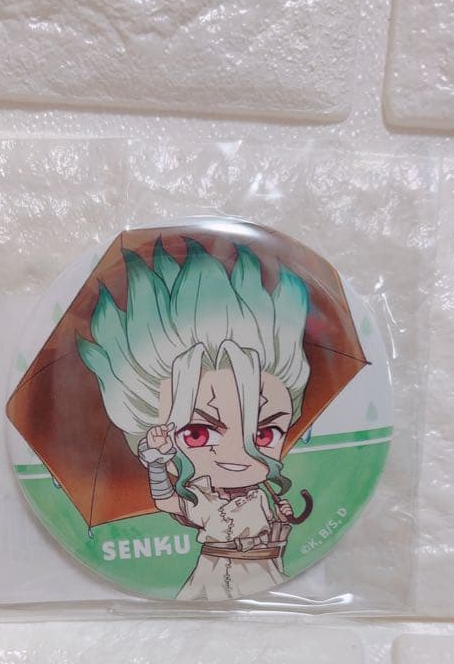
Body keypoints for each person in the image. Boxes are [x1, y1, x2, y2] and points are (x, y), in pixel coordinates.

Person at [78, 237, 311, 600]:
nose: (237, 455)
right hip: (214, 578)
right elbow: (165, 500)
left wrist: (281, 516)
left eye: (264, 434)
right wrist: (157, 465)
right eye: (199, 434)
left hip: (270, 569)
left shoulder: (261, 493)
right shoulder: (201, 500)